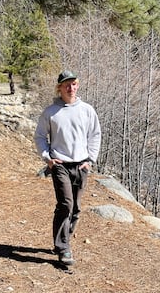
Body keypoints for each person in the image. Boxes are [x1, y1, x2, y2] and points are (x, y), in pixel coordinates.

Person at [34, 70, 101, 266]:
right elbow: (40, 136)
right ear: (59, 88)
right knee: (66, 204)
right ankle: (63, 248)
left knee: (76, 208)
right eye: (66, 85)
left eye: (74, 84)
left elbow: (95, 135)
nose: (71, 88)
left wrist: (90, 160)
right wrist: (48, 158)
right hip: (60, 164)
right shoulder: (50, 112)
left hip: (81, 165)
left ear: (77, 86)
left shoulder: (87, 110)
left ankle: (63, 239)